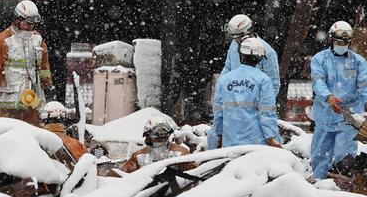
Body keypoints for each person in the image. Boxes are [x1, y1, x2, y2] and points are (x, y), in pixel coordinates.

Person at [310, 20, 367, 179]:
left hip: (349, 114)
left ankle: (345, 185)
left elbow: (366, 83)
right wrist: (329, 97)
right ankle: (320, 183)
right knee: (320, 153)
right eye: (339, 42)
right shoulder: (319, 59)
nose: (342, 45)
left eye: (346, 42)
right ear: (331, 40)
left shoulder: (358, 62)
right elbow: (318, 81)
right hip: (325, 113)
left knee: (344, 154)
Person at [207, 14, 281, 150]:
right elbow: (227, 69)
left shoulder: (268, 53)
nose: (235, 41)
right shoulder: (234, 47)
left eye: (238, 38)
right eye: (233, 38)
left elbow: (273, 85)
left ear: (248, 33)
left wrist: (253, 107)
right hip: (232, 114)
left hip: (253, 117)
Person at [0, 0, 53, 126]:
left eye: (33, 23)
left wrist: (47, 83)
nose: (30, 27)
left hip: (32, 99)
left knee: (34, 133)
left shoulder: (37, 39)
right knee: (8, 134)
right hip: (9, 100)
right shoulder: (2, 40)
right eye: (27, 23)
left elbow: (43, 65)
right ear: (17, 19)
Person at [120, 117, 195, 173]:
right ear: (148, 138)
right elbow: (125, 177)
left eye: (163, 138)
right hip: (147, 192)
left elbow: (194, 174)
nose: (160, 141)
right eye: (156, 138)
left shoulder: (181, 153)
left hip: (175, 192)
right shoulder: (139, 156)